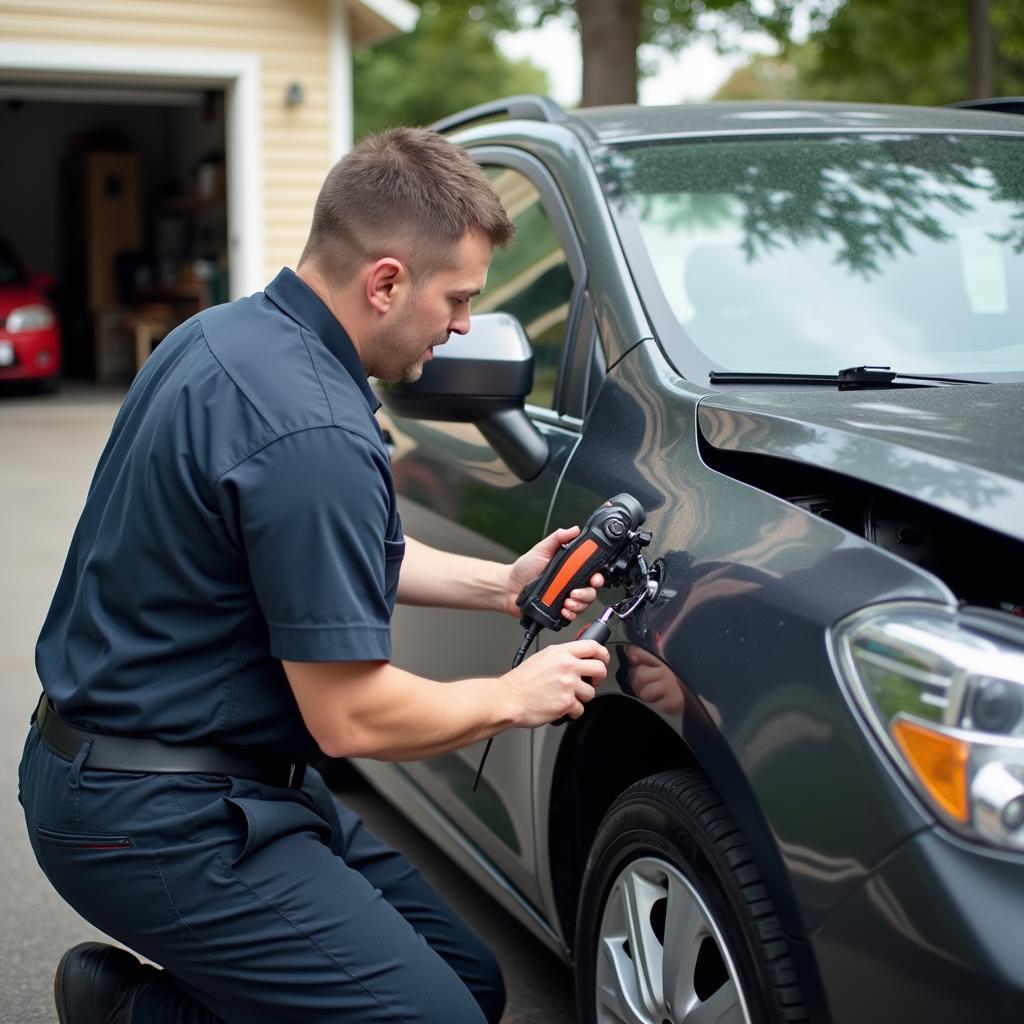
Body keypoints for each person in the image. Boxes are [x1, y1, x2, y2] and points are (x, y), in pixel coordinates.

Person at [18, 127, 609, 1024]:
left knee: (474, 986)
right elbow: (351, 716)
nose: (461, 326)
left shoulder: (225, 336)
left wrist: (502, 583)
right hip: (151, 814)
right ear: (385, 282)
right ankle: (130, 1012)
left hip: (193, 773)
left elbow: (320, 556)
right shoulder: (313, 431)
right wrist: (514, 695)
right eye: (458, 300)